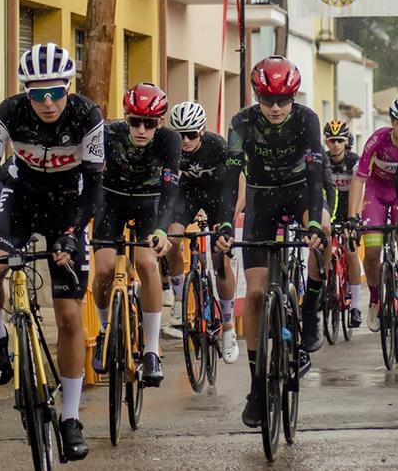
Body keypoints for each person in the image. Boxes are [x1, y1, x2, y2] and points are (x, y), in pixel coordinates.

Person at [0, 43, 103, 461]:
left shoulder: (87, 116)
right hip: (19, 196)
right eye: (38, 93)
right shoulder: (6, 114)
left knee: (67, 315)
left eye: (55, 92)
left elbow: (95, 188)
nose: (47, 102)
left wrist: (73, 234)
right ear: (25, 92)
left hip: (68, 202)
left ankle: (71, 418)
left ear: (68, 88)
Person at [213, 56, 329, 429]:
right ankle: (257, 386)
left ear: (293, 96)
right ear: (256, 96)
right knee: (259, 294)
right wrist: (226, 225)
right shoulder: (242, 122)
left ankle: (309, 310)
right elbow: (231, 177)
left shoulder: (307, 119)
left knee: (325, 231)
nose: (276, 108)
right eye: (268, 99)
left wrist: (313, 221)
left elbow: (315, 173)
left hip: (300, 193)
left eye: (283, 99)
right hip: (262, 198)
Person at [90, 83, 179, 387]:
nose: (141, 129)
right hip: (110, 201)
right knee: (102, 269)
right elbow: (88, 175)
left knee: (147, 263)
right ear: (125, 117)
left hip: (149, 204)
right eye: (135, 122)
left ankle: (152, 350)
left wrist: (161, 229)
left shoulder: (169, 140)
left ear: (160, 123)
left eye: (150, 123)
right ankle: (104, 331)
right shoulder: (107, 133)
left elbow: (170, 189)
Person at [163, 101, 234, 361]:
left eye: (191, 134)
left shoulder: (218, 146)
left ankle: (228, 325)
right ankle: (181, 299)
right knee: (171, 238)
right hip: (187, 194)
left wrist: (225, 222)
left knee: (220, 257)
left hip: (217, 195)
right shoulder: (170, 146)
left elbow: (232, 185)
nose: (185, 141)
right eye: (180, 135)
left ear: (202, 131)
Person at [349, 96, 398, 331]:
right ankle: (375, 298)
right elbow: (359, 179)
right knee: (371, 251)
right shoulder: (378, 140)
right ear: (392, 122)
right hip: (376, 193)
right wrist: (352, 216)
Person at [323, 119, 363, 329]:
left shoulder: (354, 161)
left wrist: (353, 218)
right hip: (331, 210)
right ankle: (326, 287)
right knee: (325, 248)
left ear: (347, 141)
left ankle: (356, 305)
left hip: (350, 210)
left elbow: (360, 191)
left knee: (350, 252)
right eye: (332, 140)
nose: (336, 144)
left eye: (340, 140)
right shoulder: (324, 161)